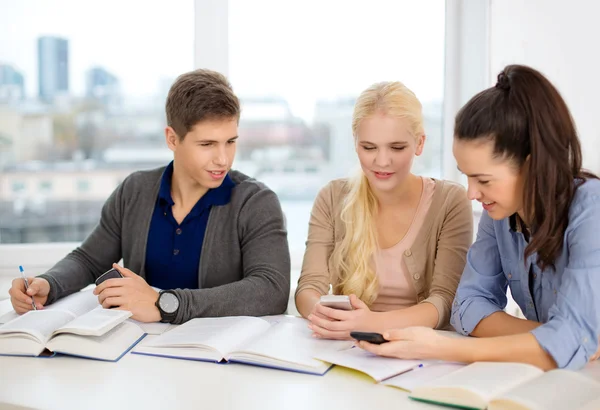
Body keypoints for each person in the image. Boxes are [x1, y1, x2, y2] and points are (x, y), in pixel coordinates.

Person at [357, 64, 600, 370]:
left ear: (531, 165)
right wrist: (562, 339)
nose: (471, 193)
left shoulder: (591, 208)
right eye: (467, 177)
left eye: (483, 180)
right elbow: (467, 307)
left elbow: (572, 341)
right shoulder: (501, 213)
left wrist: (443, 348)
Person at [8, 69, 291, 324]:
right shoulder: (135, 191)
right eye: (207, 144)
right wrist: (48, 283)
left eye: (230, 142)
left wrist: (165, 305)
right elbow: (88, 260)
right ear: (172, 139)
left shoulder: (256, 202)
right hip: (137, 354)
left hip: (216, 358)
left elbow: (271, 290)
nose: (223, 158)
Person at [295, 81, 473, 339]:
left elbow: (445, 302)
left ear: (420, 144)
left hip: (423, 353)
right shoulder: (331, 197)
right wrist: (330, 318)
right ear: (355, 144)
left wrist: (371, 323)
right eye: (369, 147)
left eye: (397, 147)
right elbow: (308, 288)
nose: (382, 161)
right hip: (349, 349)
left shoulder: (450, 201)